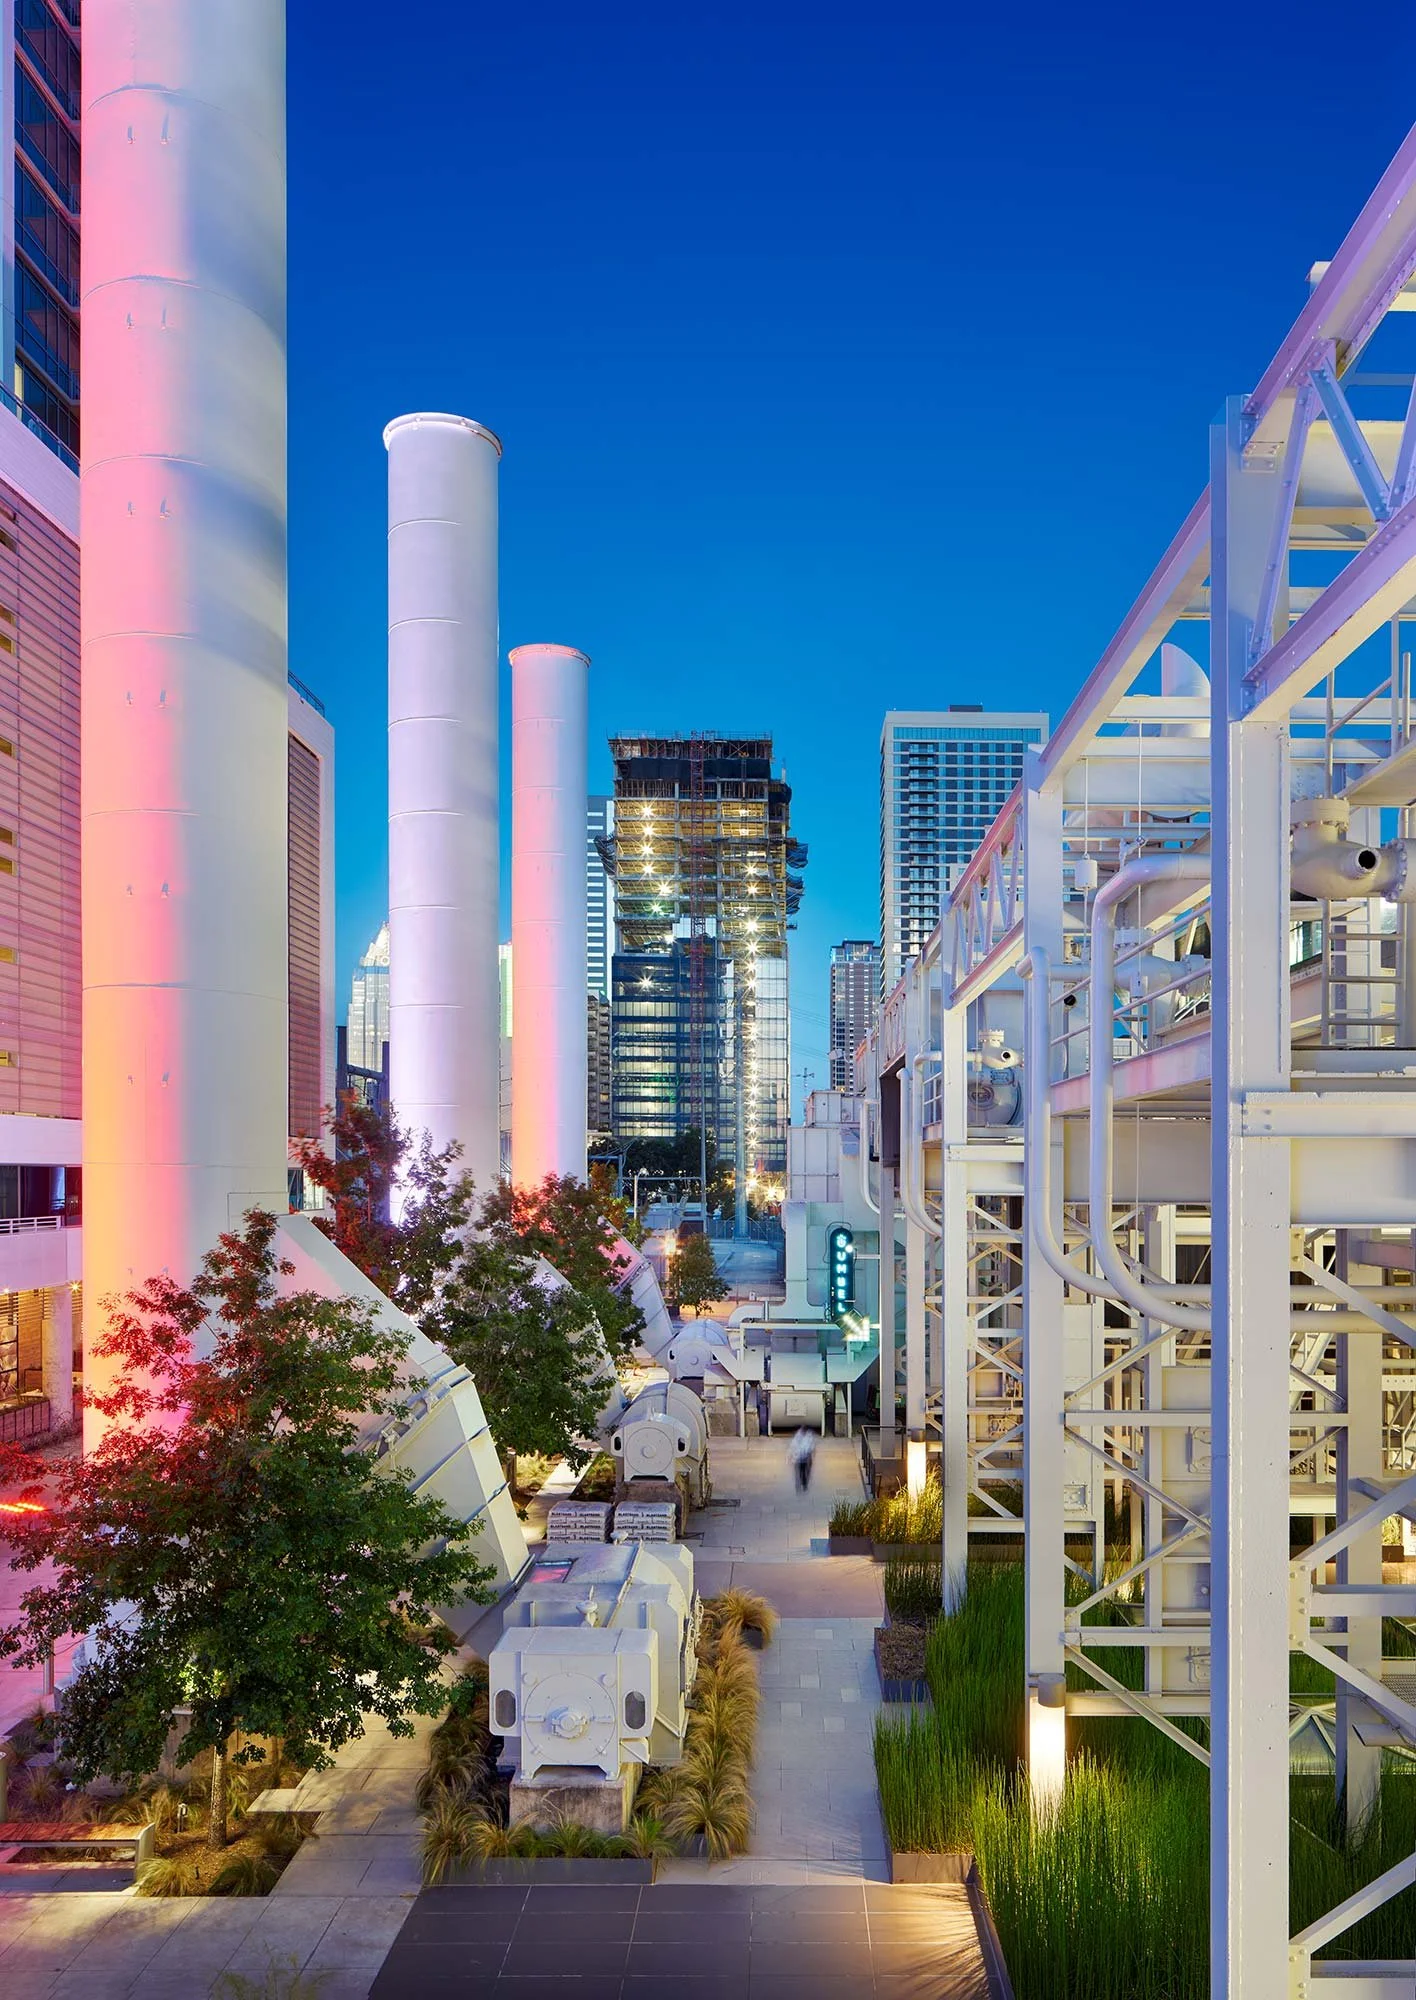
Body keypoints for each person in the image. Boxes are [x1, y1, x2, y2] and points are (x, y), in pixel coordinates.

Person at [789, 1426, 817, 1493]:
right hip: (800, 1457)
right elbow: (793, 1445)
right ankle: (801, 1486)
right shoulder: (799, 1436)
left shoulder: (808, 1436)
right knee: (801, 1472)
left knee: (805, 1472)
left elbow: (812, 1446)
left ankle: (803, 1485)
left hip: (805, 1457)